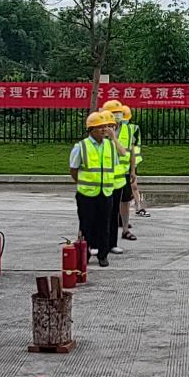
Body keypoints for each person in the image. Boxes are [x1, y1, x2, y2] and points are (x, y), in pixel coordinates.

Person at [71, 110, 118, 265]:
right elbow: (74, 169)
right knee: (86, 225)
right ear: (91, 129)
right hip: (86, 194)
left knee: (104, 225)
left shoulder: (110, 146)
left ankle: (103, 255)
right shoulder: (81, 146)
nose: (104, 130)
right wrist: (83, 183)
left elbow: (114, 165)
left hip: (106, 192)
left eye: (105, 127)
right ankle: (84, 254)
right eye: (100, 127)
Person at [112, 103, 141, 241]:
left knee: (125, 201)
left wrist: (133, 170)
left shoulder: (129, 130)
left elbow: (131, 152)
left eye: (119, 112)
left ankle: (125, 230)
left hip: (124, 172)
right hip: (107, 174)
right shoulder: (103, 131)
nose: (118, 115)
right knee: (110, 204)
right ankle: (108, 232)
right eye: (115, 112)